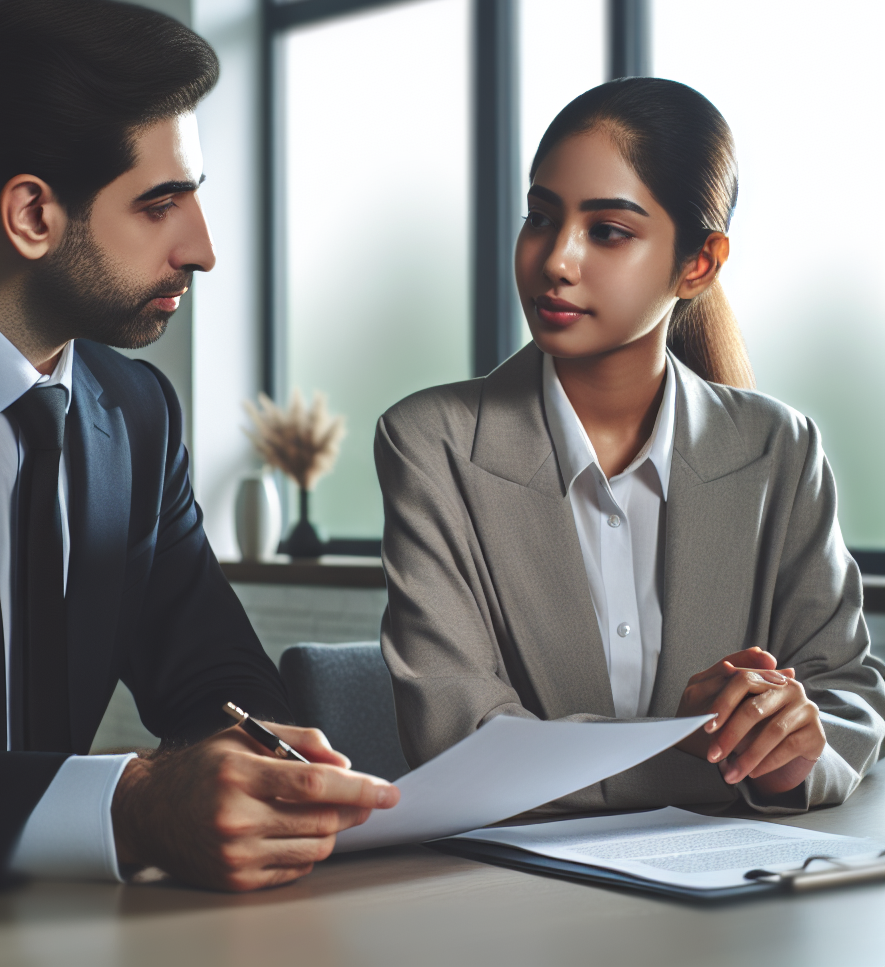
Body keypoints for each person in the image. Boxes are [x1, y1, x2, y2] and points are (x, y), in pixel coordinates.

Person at [0, 0, 397, 891]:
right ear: (32, 215)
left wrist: (263, 766)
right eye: (160, 205)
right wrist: (131, 805)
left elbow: (212, 674)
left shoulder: (139, 412)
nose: (203, 249)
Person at [376, 78, 885, 814]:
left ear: (699, 263)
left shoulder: (781, 448)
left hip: (738, 875)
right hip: (509, 877)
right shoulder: (431, 443)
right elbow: (457, 740)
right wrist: (689, 750)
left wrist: (790, 751)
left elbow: (846, 699)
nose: (556, 260)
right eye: (540, 218)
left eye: (608, 230)